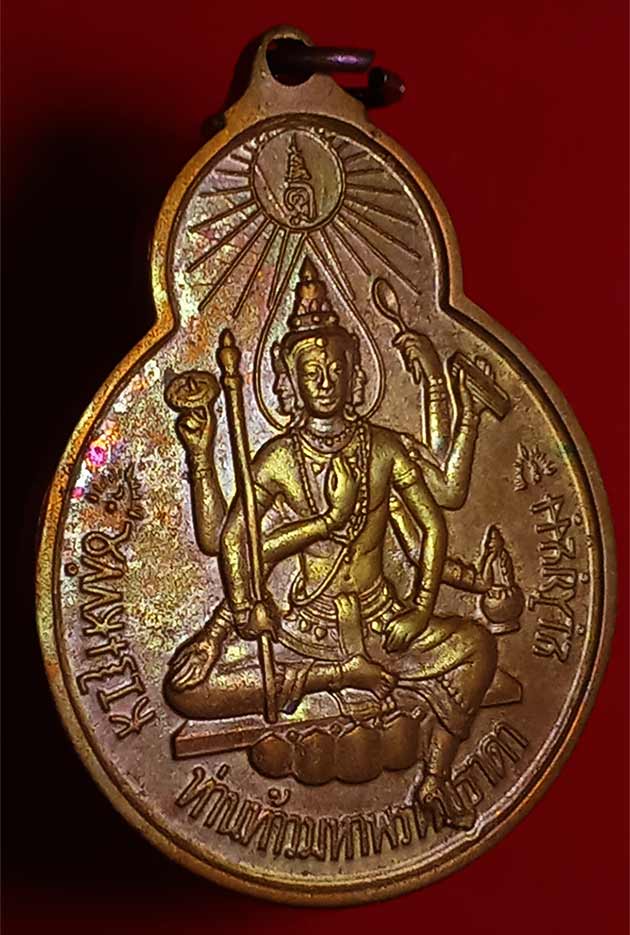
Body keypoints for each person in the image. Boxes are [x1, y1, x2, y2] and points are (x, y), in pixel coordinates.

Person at [164, 258, 497, 802]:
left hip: (383, 618)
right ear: (290, 382)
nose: (324, 381)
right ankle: (340, 675)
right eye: (311, 371)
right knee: (185, 691)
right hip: (306, 631)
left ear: (355, 374)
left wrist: (418, 610)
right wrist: (244, 611)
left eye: (336, 369)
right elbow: (231, 542)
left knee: (478, 644)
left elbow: (433, 528)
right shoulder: (277, 458)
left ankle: (435, 780)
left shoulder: (383, 448)